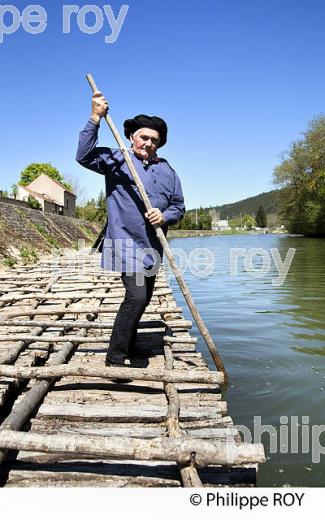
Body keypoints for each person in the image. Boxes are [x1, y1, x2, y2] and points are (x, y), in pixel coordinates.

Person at [76, 90, 185, 367]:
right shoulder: (117, 160)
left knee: (145, 298)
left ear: (159, 145)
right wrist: (94, 118)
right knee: (135, 297)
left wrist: (165, 216)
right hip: (125, 244)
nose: (148, 143)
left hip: (152, 247)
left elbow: (178, 206)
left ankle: (131, 343)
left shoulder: (167, 171)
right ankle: (115, 356)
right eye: (143, 137)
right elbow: (84, 155)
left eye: (154, 140)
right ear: (131, 137)